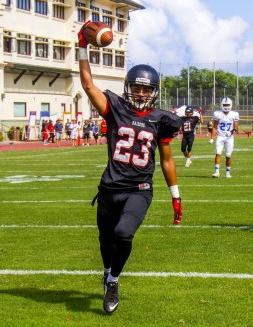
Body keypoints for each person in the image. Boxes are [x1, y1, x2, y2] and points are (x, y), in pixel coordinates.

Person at [77, 22, 183, 314]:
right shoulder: (116, 108)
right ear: (128, 88)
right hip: (109, 187)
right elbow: (88, 84)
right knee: (106, 241)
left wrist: (175, 195)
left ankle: (112, 281)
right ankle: (108, 270)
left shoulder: (163, 119)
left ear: (154, 92)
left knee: (124, 233)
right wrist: (81, 46)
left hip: (139, 189)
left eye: (145, 89)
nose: (139, 93)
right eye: (135, 88)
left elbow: (167, 159)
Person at [212, 97, 239, 178]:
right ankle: (217, 172)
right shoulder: (217, 113)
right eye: (225, 104)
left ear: (231, 105)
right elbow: (215, 126)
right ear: (222, 105)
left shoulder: (234, 114)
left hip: (229, 138)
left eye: (227, 105)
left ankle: (228, 173)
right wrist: (211, 137)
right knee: (218, 153)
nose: (226, 106)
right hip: (220, 137)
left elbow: (236, 128)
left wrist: (230, 132)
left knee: (228, 156)